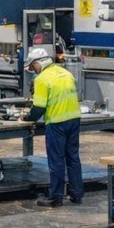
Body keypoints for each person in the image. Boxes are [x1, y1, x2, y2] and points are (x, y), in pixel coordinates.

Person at [25, 46, 82, 208]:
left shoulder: (42, 79)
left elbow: (38, 107)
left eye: (32, 67)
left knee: (56, 160)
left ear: (37, 63)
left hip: (57, 122)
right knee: (73, 157)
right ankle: (76, 194)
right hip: (74, 119)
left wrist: (27, 118)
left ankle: (55, 197)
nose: (33, 71)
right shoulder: (65, 73)